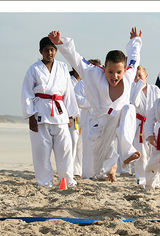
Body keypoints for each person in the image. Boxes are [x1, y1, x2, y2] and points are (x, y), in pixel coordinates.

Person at [49, 27, 142, 182]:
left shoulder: (130, 73)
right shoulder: (93, 72)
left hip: (120, 116)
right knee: (99, 168)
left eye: (119, 72)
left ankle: (127, 151)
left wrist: (135, 41)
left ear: (125, 70)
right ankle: (112, 168)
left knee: (129, 108)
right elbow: (77, 59)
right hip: (101, 123)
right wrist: (60, 43)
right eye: (110, 72)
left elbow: (134, 56)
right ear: (103, 68)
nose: (114, 76)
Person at [21, 36, 79, 188]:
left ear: (56, 51)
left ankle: (67, 180)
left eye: (52, 50)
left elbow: (68, 91)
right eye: (46, 50)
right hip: (41, 113)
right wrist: (30, 116)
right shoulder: (33, 69)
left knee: (65, 150)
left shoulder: (62, 67)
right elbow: (27, 93)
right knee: (41, 152)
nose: (49, 53)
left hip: (60, 112)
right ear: (41, 51)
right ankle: (44, 182)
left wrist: (71, 114)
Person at [130, 65, 160, 187]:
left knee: (154, 153)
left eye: (140, 75)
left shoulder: (155, 90)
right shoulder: (133, 90)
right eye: (135, 76)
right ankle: (142, 179)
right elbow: (135, 103)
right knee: (141, 154)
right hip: (139, 124)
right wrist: (138, 87)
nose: (138, 78)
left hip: (153, 124)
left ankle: (155, 180)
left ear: (146, 76)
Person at [74, 59, 101, 180]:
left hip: (100, 119)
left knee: (100, 146)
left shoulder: (102, 83)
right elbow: (78, 100)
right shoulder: (81, 84)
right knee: (87, 148)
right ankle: (87, 174)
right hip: (86, 119)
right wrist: (93, 102)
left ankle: (101, 173)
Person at [69, 67, 82, 178]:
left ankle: (78, 170)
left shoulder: (85, 82)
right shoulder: (68, 80)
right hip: (72, 118)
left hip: (84, 118)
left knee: (81, 145)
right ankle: (71, 169)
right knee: (72, 143)